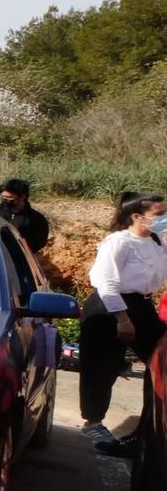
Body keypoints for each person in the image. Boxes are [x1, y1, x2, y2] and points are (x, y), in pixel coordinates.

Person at [78, 192, 167, 451]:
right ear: (137, 217)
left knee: (158, 363)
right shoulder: (118, 242)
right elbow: (106, 283)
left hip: (141, 305)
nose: (163, 218)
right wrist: (122, 319)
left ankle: (148, 430)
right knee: (101, 367)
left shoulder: (155, 241)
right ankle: (93, 422)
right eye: (159, 214)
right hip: (109, 308)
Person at [0, 178, 50, 252]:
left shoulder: (36, 220)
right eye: (3, 197)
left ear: (22, 197)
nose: (6, 200)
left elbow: (39, 243)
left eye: (10, 198)